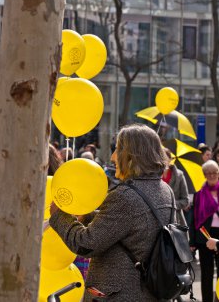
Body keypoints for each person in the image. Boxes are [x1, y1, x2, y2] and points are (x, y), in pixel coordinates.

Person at [49, 123, 174, 301]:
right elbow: (130, 226)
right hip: (148, 291)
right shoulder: (164, 189)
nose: (113, 156)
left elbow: (86, 244)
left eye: (117, 149)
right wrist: (89, 216)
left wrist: (59, 216)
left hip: (119, 294)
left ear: (131, 156)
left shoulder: (125, 196)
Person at [189, 159, 219, 302]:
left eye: (215, 172)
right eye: (209, 173)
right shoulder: (199, 195)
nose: (212, 175)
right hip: (204, 236)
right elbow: (194, 219)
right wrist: (192, 241)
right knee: (206, 274)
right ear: (204, 174)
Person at [162, 148, 189, 226]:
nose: (162, 160)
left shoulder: (179, 175)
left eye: (164, 158)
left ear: (170, 159)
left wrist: (170, 205)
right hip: (158, 219)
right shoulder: (153, 176)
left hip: (176, 219)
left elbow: (185, 201)